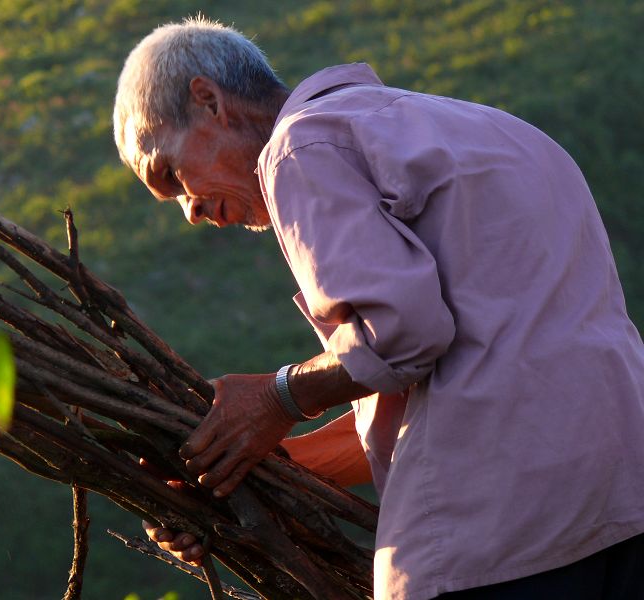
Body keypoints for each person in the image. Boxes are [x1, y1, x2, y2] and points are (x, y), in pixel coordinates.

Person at [112, 17, 644, 600]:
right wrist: (242, 462)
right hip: (622, 504)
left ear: (209, 101)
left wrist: (276, 396)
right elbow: (446, 398)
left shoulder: (301, 146)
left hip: (498, 547)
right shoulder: (493, 131)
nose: (190, 211)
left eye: (171, 173)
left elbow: (404, 335)